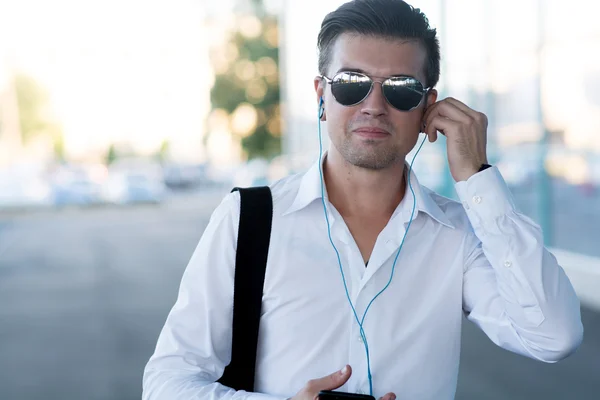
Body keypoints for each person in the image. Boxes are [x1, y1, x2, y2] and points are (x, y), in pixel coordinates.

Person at [142, 1, 583, 399]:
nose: (373, 105)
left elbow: (552, 336)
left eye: (401, 87)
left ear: (428, 108)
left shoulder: (458, 234)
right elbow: (168, 382)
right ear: (321, 94)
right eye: (352, 83)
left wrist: (477, 178)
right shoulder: (250, 219)